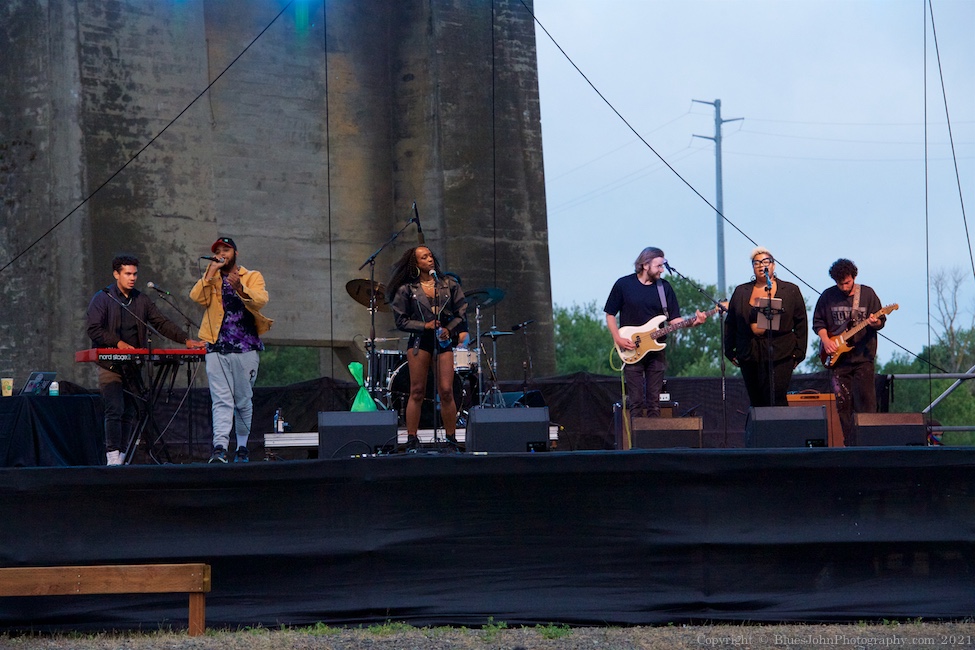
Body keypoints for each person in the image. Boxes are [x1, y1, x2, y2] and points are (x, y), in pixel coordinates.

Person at [86, 255, 204, 466]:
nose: (132, 278)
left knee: (132, 410)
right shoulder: (103, 298)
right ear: (116, 274)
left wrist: (185, 340)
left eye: (135, 274)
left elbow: (160, 322)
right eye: (127, 274)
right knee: (114, 408)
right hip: (110, 363)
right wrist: (118, 343)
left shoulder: (141, 300)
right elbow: (94, 329)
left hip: (133, 364)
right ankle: (112, 458)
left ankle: (122, 456)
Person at [190, 237, 272, 463]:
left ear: (235, 252)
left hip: (245, 347)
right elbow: (196, 297)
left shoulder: (252, 276)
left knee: (243, 400)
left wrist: (240, 288)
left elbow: (261, 300)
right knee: (221, 399)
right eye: (218, 250)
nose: (222, 253)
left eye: (226, 249)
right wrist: (209, 274)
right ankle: (220, 448)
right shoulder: (212, 277)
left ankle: (242, 447)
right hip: (216, 346)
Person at [605, 247, 707, 419]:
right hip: (632, 348)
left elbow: (674, 320)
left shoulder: (664, 287)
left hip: (656, 351)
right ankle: (637, 444)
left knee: (654, 401)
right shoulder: (623, 284)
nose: (662, 270)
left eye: (662, 266)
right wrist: (618, 339)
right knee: (635, 401)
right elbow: (610, 314)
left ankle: (652, 440)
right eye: (659, 266)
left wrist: (693, 323)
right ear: (645, 265)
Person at [388, 246, 468, 450]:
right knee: (416, 390)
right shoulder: (407, 289)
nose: (429, 259)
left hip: (443, 341)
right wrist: (424, 326)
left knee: (447, 390)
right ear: (416, 264)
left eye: (430, 255)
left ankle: (451, 437)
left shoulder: (449, 285)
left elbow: (461, 314)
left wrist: (449, 330)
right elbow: (401, 320)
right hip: (419, 342)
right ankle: (412, 438)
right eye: (424, 257)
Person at [812, 258, 885, 445]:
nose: (844, 287)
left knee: (866, 403)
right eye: (840, 283)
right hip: (839, 361)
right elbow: (818, 322)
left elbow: (881, 321)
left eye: (847, 282)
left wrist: (875, 322)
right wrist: (826, 341)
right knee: (843, 404)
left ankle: (869, 443)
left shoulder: (867, 294)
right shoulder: (828, 296)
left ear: (854, 277)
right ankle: (849, 442)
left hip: (863, 358)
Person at [724, 247, 808, 407]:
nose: (761, 266)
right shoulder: (741, 291)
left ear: (774, 265)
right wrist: (729, 350)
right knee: (757, 401)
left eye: (765, 262)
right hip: (749, 353)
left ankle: (779, 431)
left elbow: (801, 322)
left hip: (781, 352)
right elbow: (731, 322)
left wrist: (799, 352)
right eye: (756, 263)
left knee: (776, 398)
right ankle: (760, 431)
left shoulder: (790, 290)